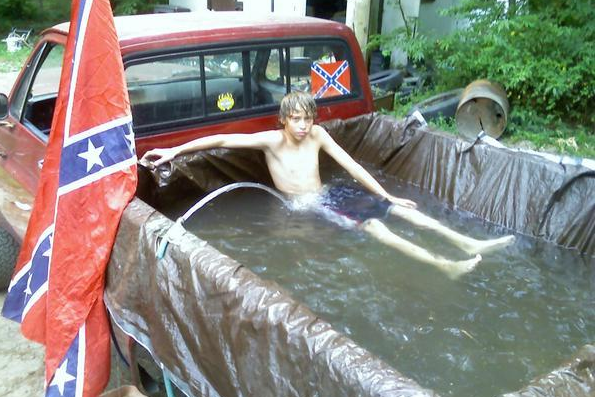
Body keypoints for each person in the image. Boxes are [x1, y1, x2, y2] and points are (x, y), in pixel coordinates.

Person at [141, 91, 514, 278]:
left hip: (330, 194)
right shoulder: (271, 141)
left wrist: (386, 193)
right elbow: (219, 142)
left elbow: (350, 165)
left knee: (401, 209)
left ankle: (469, 242)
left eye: (307, 119)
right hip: (308, 207)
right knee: (376, 227)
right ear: (284, 120)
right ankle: (444, 265)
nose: (303, 126)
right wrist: (173, 150)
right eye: (296, 120)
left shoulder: (318, 135)